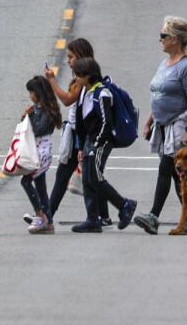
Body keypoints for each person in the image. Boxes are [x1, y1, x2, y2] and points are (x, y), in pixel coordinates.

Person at [133, 16, 187, 235]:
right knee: (176, 174)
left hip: (179, 125)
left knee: (166, 168)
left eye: (164, 35)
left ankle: (153, 216)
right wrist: (150, 120)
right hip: (163, 125)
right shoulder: (165, 64)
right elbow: (160, 94)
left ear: (176, 39)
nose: (160, 39)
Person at [42, 38, 108, 226]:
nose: (68, 61)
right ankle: (102, 215)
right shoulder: (80, 78)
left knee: (68, 176)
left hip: (80, 135)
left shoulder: (83, 79)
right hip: (76, 133)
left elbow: (67, 100)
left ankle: (48, 216)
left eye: (71, 57)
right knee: (90, 176)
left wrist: (52, 80)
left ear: (80, 56)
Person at [70, 56, 137, 233]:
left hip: (100, 142)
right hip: (89, 142)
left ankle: (125, 205)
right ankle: (93, 219)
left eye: (78, 74)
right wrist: (81, 146)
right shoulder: (87, 92)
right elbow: (82, 121)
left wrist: (97, 144)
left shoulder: (102, 93)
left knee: (96, 178)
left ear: (88, 75)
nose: (75, 77)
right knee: (87, 180)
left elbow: (107, 123)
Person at [22, 76, 61, 234]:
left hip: (41, 152)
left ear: (38, 92)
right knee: (40, 186)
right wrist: (26, 115)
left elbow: (38, 129)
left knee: (26, 181)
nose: (30, 95)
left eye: (32, 91)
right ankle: (48, 221)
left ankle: (40, 215)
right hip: (35, 149)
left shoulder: (46, 110)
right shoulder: (38, 108)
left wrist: (29, 115)